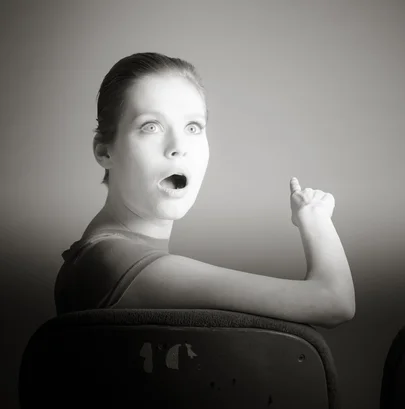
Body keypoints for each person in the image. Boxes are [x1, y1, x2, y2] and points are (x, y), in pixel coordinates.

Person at [54, 52, 355, 329]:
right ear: (105, 151)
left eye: (193, 127)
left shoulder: (102, 256)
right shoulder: (111, 262)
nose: (178, 148)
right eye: (150, 126)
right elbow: (333, 301)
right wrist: (315, 220)